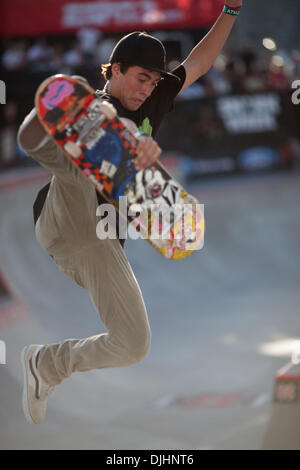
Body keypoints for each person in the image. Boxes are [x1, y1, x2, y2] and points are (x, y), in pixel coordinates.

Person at [18, 1, 243, 425]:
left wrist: (231, 9)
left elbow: (198, 63)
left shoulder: (154, 98)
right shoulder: (99, 104)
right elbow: (92, 136)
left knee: (132, 344)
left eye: (154, 81)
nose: (145, 89)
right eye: (140, 78)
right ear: (115, 69)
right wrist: (117, 136)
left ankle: (46, 365)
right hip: (64, 213)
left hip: (98, 244)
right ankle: (44, 131)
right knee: (84, 150)